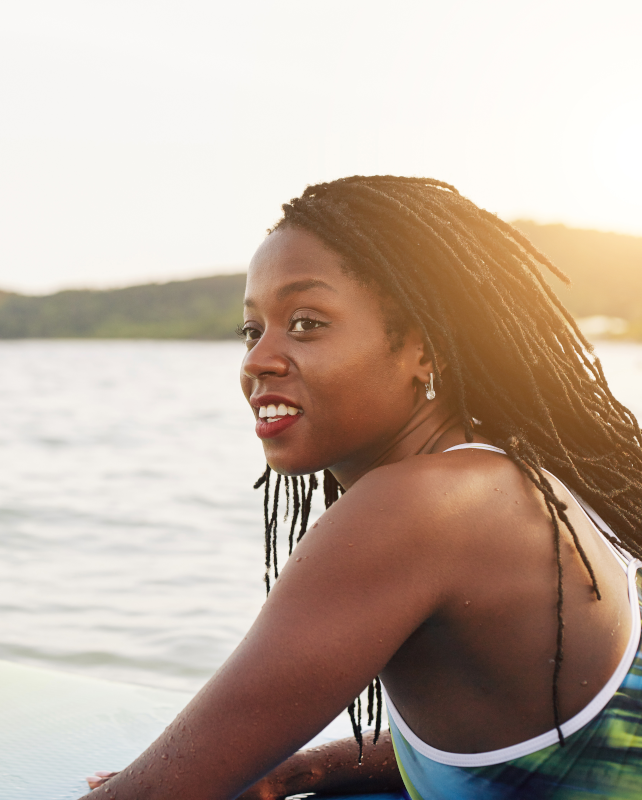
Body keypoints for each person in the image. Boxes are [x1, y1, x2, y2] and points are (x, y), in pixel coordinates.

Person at [80, 176, 642, 799]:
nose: (257, 360)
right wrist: (300, 765)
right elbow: (516, 735)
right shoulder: (501, 477)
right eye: (251, 330)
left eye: (306, 323)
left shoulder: (420, 507)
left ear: (425, 349)